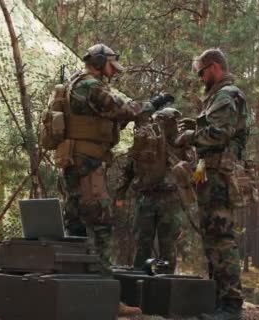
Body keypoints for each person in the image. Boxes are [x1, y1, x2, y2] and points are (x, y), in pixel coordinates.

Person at [60, 43, 173, 316]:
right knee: (101, 226)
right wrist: (155, 103)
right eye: (111, 65)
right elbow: (127, 109)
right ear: (99, 62)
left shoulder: (73, 84)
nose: (114, 71)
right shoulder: (91, 86)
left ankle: (76, 294)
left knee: (75, 228)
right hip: (88, 165)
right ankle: (104, 297)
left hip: (74, 163)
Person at [174, 49, 249, 320]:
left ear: (214, 67)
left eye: (202, 72)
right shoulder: (217, 96)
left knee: (222, 239)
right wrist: (196, 126)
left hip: (221, 176)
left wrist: (192, 135)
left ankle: (231, 305)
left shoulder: (227, 95)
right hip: (212, 175)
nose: (200, 78)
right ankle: (219, 302)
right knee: (212, 239)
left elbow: (220, 134)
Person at [115, 107, 187, 273]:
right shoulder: (151, 142)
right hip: (164, 198)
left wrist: (121, 193)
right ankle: (158, 279)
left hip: (151, 197)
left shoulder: (153, 141)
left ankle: (145, 277)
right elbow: (130, 167)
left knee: (151, 243)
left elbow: (128, 169)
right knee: (160, 243)